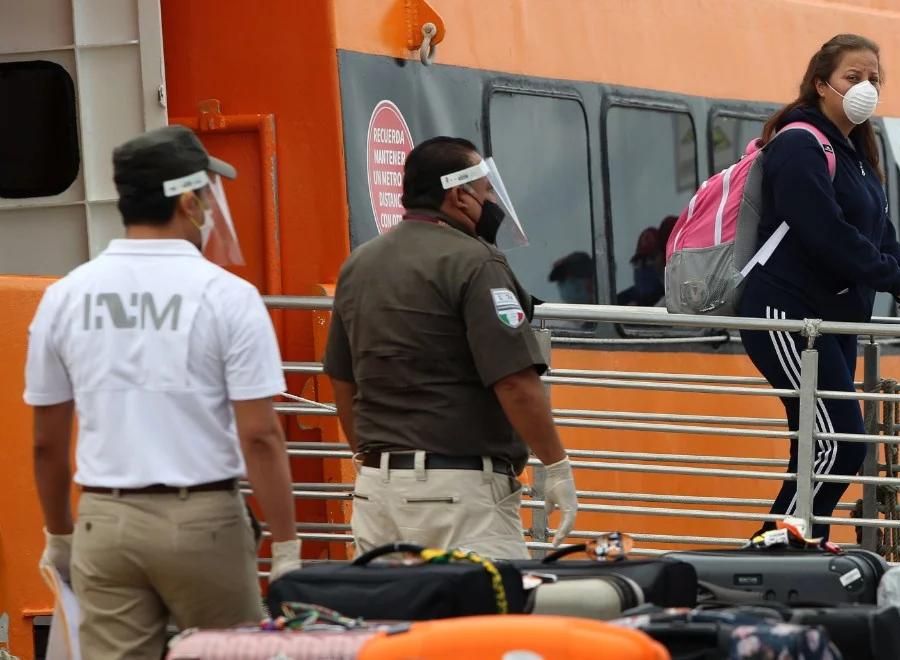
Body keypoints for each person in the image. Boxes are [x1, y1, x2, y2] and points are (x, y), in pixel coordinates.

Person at [24, 125, 300, 659]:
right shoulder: (228, 296)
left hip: (105, 521)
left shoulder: (65, 296)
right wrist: (287, 544)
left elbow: (46, 443)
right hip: (203, 520)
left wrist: (60, 535)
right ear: (191, 202)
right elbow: (261, 435)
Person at [737, 34, 900, 541]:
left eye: (873, 78)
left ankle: (796, 547)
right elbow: (828, 237)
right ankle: (773, 551)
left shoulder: (855, 155)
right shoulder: (799, 143)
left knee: (819, 445)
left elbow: (882, 241)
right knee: (839, 441)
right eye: (853, 77)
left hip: (832, 320)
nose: (864, 87)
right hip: (787, 315)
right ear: (821, 84)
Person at [323, 136, 578, 559]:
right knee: (486, 622)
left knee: (395, 623)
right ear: (460, 196)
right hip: (458, 499)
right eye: (487, 190)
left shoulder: (360, 264)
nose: (493, 199)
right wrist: (556, 466)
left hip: (375, 495)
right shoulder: (477, 262)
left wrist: (372, 461)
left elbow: (343, 381)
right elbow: (515, 382)